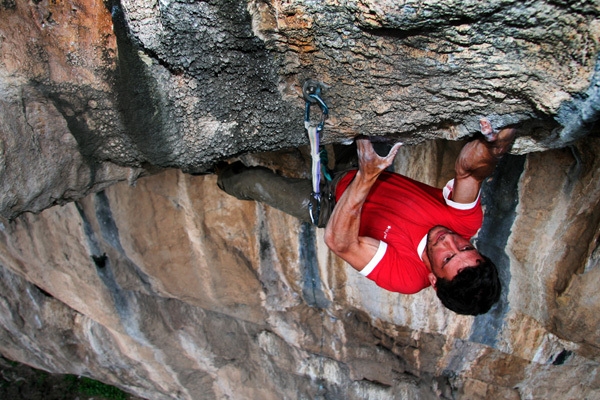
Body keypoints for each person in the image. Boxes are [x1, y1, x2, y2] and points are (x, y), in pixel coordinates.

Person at [217, 119, 516, 315]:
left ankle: (220, 174)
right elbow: (470, 171)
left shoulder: (408, 276)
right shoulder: (465, 223)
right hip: (365, 170)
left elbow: (341, 242)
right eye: (466, 247)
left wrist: (366, 176)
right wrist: (493, 149)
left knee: (253, 181)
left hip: (332, 206)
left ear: (434, 281)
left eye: (448, 258)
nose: (450, 241)